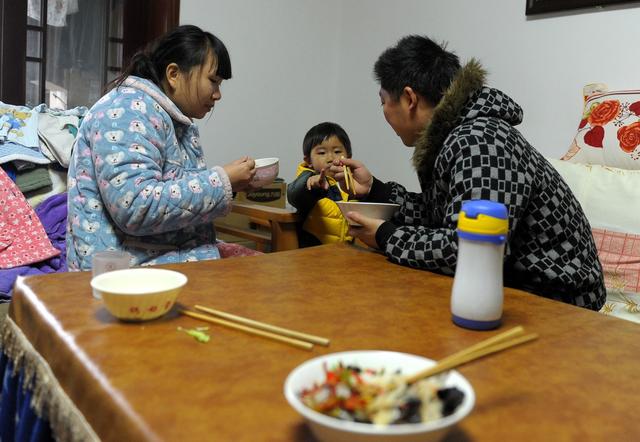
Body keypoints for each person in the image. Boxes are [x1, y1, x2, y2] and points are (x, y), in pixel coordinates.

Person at [331, 35, 606, 310]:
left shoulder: (480, 142)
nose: (384, 112)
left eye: (383, 102)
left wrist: (385, 236)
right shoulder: (459, 134)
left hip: (562, 303)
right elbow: (442, 216)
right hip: (519, 287)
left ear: (409, 98)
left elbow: (468, 250)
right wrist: (375, 190)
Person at [67, 25, 257, 270]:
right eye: (213, 81)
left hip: (165, 255)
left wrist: (233, 185)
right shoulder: (127, 110)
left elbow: (174, 192)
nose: (218, 94)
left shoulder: (168, 118)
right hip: (124, 271)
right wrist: (222, 181)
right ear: (174, 74)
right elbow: (135, 208)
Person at [287, 122, 355, 247]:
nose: (330, 158)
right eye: (322, 153)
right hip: (314, 254)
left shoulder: (354, 183)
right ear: (308, 161)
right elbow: (293, 194)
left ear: (348, 156)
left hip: (347, 254)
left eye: (337, 151)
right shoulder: (310, 181)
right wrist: (309, 184)